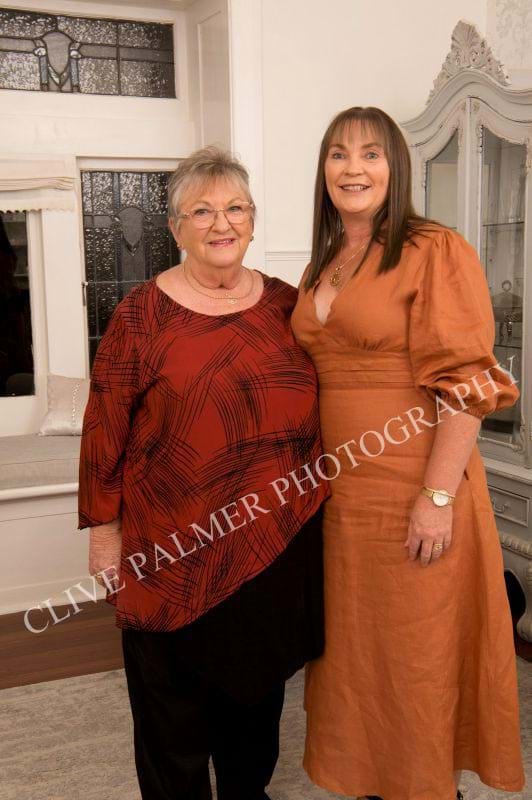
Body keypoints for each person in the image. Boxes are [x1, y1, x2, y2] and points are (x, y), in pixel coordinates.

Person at [78, 146, 328, 800]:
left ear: (253, 220)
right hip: (169, 551)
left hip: (270, 544)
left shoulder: (288, 306)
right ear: (175, 227)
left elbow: (344, 387)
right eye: (203, 211)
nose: (223, 223)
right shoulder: (140, 315)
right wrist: (104, 533)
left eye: (236, 208)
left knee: (255, 710)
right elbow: (104, 428)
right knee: (171, 721)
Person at [291, 106, 525, 800]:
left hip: (413, 488)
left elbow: (466, 386)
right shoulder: (325, 260)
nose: (353, 169)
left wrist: (437, 496)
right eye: (338, 154)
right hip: (342, 499)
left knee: (415, 656)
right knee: (357, 657)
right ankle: (373, 784)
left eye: (370, 154)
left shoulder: (433, 248)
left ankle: (428, 788)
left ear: (397, 166)